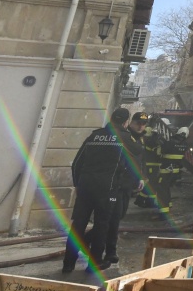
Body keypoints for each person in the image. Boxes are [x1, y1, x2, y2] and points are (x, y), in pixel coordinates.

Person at [62, 108, 135, 274]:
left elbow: (77, 163)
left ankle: (68, 264)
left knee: (78, 224)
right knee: (102, 224)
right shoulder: (125, 138)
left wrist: (78, 184)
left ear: (111, 119)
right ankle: (94, 264)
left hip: (85, 187)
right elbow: (134, 163)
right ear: (126, 122)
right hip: (108, 189)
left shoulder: (94, 136)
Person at [103, 111, 148, 264]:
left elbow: (140, 161)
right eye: (138, 123)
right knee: (113, 218)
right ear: (130, 123)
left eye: (143, 124)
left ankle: (92, 242)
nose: (141, 126)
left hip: (128, 184)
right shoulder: (126, 136)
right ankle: (109, 251)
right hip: (118, 183)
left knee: (118, 216)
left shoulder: (140, 138)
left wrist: (140, 177)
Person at [155, 126, 188, 214]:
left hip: (166, 170)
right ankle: (168, 205)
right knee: (166, 188)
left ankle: (163, 212)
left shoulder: (170, 142)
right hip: (175, 171)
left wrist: (160, 142)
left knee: (162, 190)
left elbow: (159, 152)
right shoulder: (185, 145)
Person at [134, 124, 163, 209]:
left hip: (151, 165)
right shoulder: (151, 142)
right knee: (152, 184)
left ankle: (141, 200)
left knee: (150, 183)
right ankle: (148, 202)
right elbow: (158, 154)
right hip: (152, 165)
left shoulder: (147, 141)